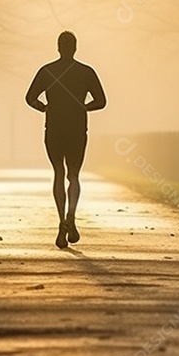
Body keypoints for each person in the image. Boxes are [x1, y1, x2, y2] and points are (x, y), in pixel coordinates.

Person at [25, 31, 107, 248]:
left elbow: (29, 97)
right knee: (74, 175)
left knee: (58, 173)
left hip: (53, 129)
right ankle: (72, 216)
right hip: (77, 130)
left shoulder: (47, 71)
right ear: (75, 47)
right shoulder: (86, 72)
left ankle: (61, 220)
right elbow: (101, 101)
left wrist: (44, 108)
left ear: (58, 47)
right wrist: (84, 107)